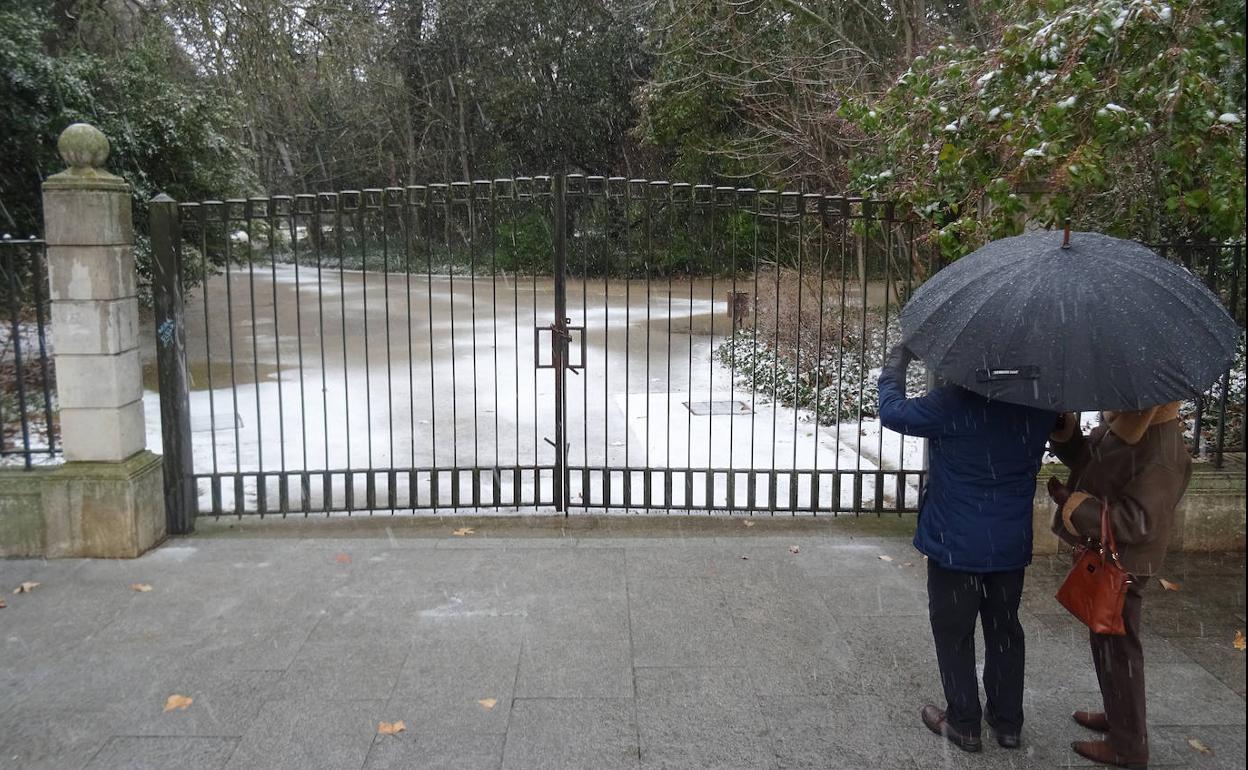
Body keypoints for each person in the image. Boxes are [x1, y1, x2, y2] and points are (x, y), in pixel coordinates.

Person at [878, 346, 1058, 753]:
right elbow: (1061, 431)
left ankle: (964, 722)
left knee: (954, 632)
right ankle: (1008, 722)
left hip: (955, 543)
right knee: (1005, 628)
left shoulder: (953, 404)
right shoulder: (1038, 403)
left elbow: (892, 412)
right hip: (1008, 544)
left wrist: (896, 364)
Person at [1046, 404, 1192, 770]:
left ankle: (1128, 747)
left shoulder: (1161, 444)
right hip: (1112, 553)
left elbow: (1140, 521)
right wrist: (1066, 434)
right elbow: (1095, 463)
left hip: (1126, 560)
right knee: (1106, 638)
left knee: (1121, 647)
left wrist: (1076, 507)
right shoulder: (1130, 422)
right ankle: (1119, 715)